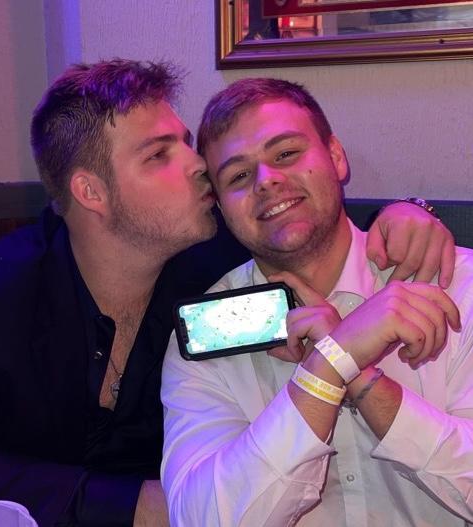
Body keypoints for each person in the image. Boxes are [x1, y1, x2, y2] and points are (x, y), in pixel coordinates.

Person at [0, 60, 453, 527]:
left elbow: (308, 226)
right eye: (159, 154)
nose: (197, 165)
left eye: (187, 144)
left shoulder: (213, 264)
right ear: (91, 192)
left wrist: (408, 214)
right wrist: (140, 507)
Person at [160, 77, 473, 526]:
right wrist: (331, 364)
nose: (267, 181)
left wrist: (360, 379)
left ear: (336, 156)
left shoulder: (456, 284)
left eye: (286, 153)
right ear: (222, 207)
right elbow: (202, 520)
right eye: (239, 176)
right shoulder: (206, 336)